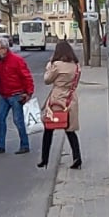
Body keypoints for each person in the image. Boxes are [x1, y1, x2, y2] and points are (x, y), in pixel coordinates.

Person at [37, 41, 83, 169]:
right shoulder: (76, 65)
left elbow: (47, 80)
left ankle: (44, 159)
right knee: (70, 130)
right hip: (71, 98)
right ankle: (77, 157)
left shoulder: (56, 65)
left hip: (57, 98)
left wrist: (48, 68)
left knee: (49, 128)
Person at [0, 38, 35, 155]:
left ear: (5, 49)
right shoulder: (1, 62)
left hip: (16, 95)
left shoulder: (16, 60)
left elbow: (27, 77)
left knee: (18, 120)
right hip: (4, 94)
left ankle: (25, 145)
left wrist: (28, 93)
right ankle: (0, 146)